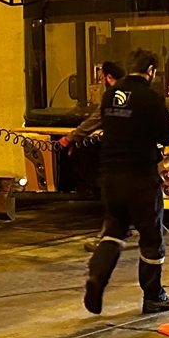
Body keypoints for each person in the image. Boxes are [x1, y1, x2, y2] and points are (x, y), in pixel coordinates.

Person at [84, 48, 169, 315]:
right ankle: (153, 296)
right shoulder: (151, 98)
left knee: (114, 231)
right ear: (151, 71)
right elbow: (165, 136)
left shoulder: (110, 95)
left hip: (110, 177)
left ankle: (96, 277)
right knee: (151, 238)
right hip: (140, 178)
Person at [57, 61, 125, 254]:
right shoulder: (140, 92)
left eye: (103, 77)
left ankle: (105, 239)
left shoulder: (113, 95)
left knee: (113, 194)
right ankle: (156, 228)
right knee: (139, 190)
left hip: (119, 154)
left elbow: (96, 120)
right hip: (141, 152)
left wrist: (71, 138)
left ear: (109, 78)